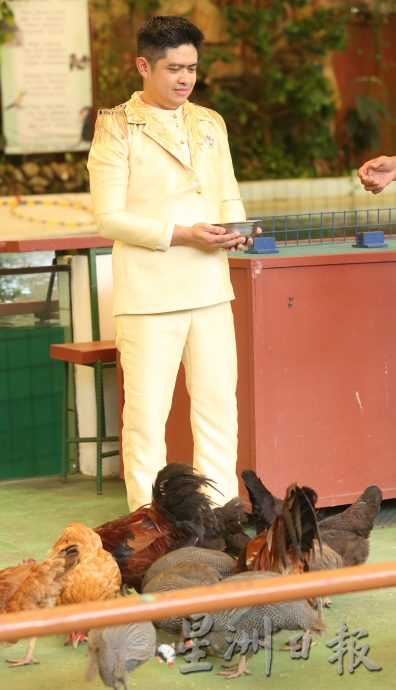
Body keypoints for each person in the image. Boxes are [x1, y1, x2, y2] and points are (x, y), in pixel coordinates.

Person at [87, 15, 257, 511]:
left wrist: (237, 231)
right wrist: (180, 234)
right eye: (174, 68)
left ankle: (222, 518)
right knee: (145, 418)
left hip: (209, 287)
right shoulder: (115, 126)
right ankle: (148, 524)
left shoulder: (210, 121)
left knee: (218, 411)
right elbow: (107, 218)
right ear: (144, 65)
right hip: (149, 295)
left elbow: (228, 196)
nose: (185, 79)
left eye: (192, 68)